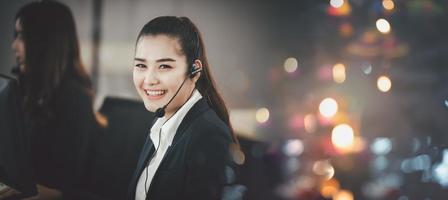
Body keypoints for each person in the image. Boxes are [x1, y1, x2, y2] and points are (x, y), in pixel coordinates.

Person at [127, 16, 240, 200]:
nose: (149, 80)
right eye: (141, 65)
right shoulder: (160, 124)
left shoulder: (209, 136)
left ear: (194, 71)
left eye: (164, 66)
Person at [2, 0, 100, 199]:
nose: (14, 46)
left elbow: (70, 188)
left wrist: (25, 191)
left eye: (21, 36)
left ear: (43, 40)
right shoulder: (28, 91)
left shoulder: (75, 100)